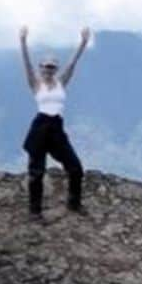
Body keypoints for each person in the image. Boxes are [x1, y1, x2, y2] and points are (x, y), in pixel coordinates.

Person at [19, 25, 90, 218]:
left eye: (51, 67)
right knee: (36, 172)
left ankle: (74, 205)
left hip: (57, 127)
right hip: (40, 127)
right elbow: (26, 65)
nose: (48, 70)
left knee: (75, 167)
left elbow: (73, 64)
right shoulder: (35, 84)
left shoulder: (61, 82)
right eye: (45, 66)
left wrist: (83, 43)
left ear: (55, 69)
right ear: (40, 68)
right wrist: (23, 42)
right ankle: (35, 212)